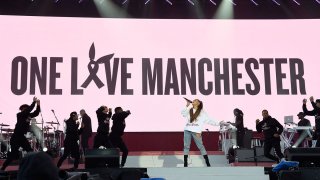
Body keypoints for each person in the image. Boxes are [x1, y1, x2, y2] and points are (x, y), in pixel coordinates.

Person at [1, 97, 40, 171]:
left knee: (30, 151)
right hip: (16, 137)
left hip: (21, 137)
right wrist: (33, 102)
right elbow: (28, 110)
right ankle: (3, 168)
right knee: (13, 155)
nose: (27, 110)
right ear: (22, 109)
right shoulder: (19, 115)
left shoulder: (28, 115)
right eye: (25, 109)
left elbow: (36, 113)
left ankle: (32, 167)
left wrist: (38, 105)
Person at [181, 99, 220, 167]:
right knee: (186, 146)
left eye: (195, 100)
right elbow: (183, 114)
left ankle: (207, 163)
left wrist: (218, 123)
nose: (193, 101)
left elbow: (208, 120)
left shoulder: (202, 112)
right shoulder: (189, 109)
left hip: (196, 131)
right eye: (193, 100)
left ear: (198, 103)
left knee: (201, 146)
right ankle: (185, 164)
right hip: (187, 130)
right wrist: (187, 105)